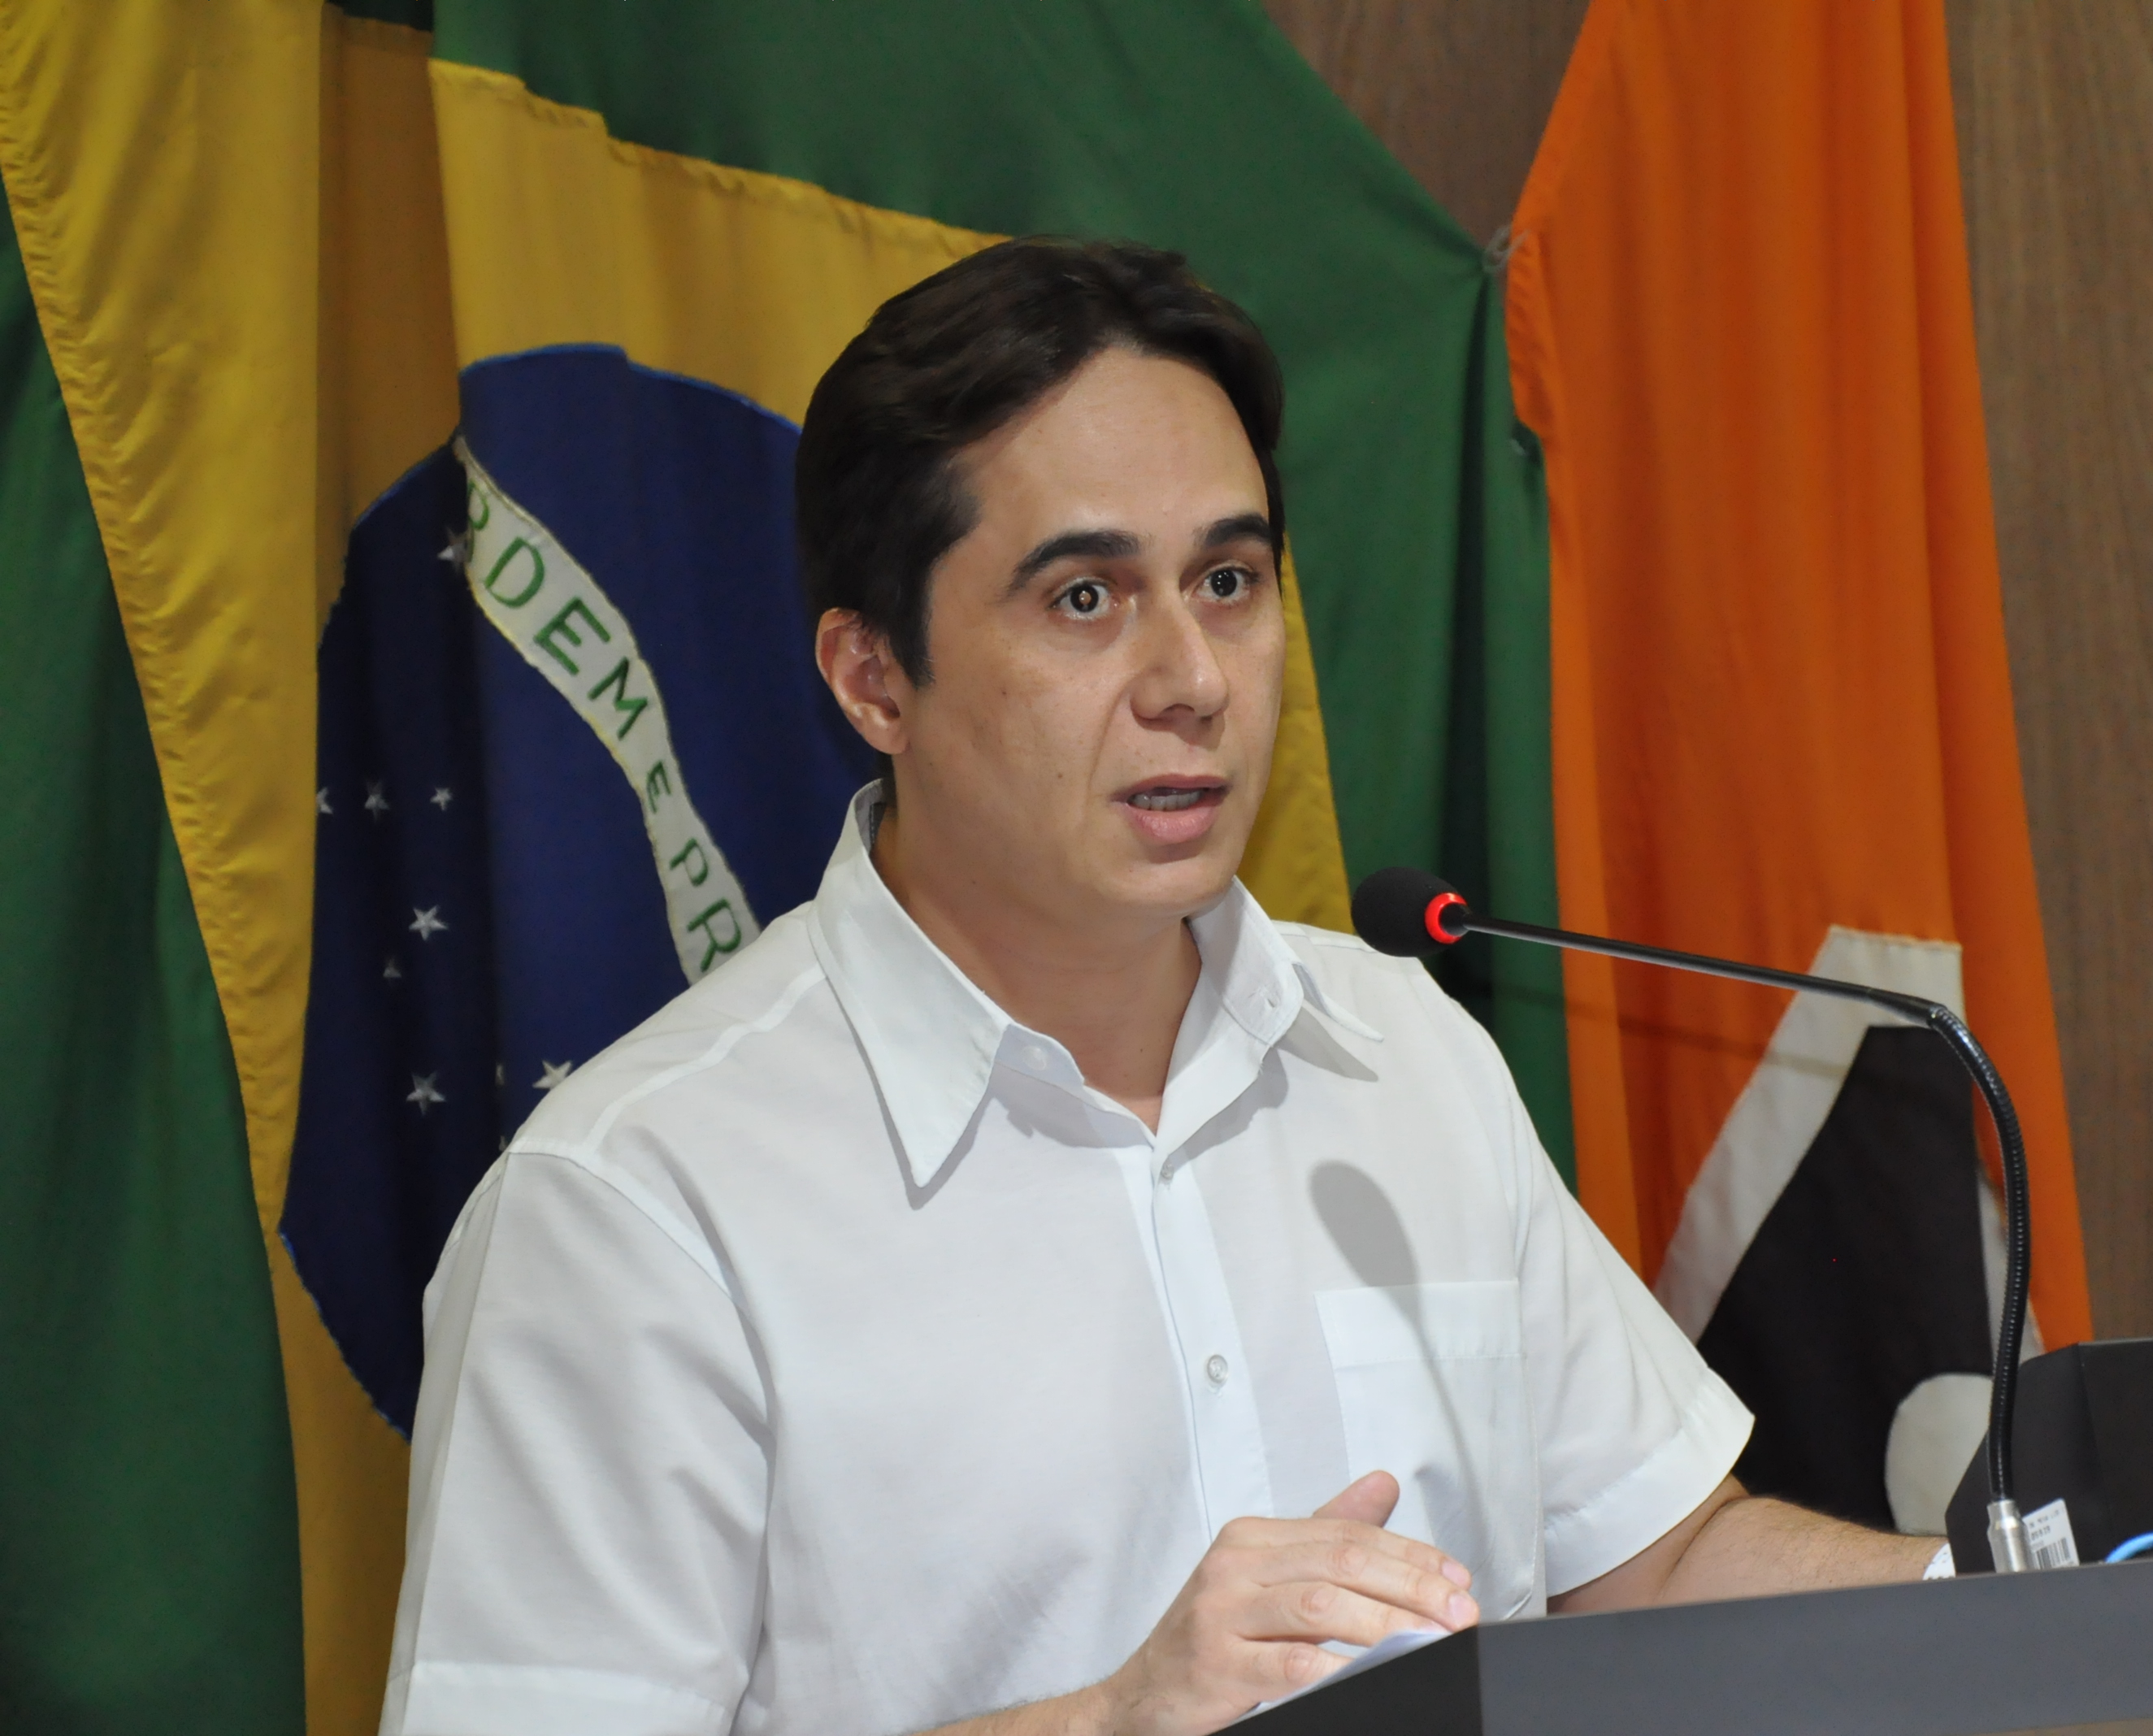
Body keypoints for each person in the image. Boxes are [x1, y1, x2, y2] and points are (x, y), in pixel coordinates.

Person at [380, 237, 1938, 1736]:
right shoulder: (636, 1208)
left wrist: (2014, 1590)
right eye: (1086, 598)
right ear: (873, 678)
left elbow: (1653, 1565)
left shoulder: (1403, 1050)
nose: (1193, 679)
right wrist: (1111, 1721)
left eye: (1231, 580)